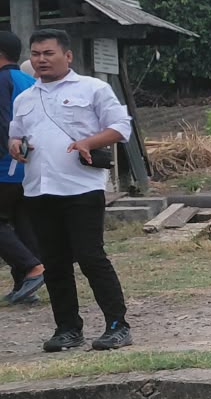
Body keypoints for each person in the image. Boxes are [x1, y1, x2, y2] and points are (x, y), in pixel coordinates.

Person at [5, 29, 133, 351]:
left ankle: (117, 325)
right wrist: (15, 146)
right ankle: (67, 329)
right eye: (36, 54)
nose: (41, 60)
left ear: (67, 56)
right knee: (55, 262)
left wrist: (89, 142)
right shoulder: (25, 99)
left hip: (80, 188)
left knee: (91, 258)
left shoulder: (93, 89)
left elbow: (121, 126)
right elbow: (14, 136)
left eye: (48, 53)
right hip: (38, 189)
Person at [0, 30, 45, 305]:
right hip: (28, 165)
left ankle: (32, 267)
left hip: (7, 165)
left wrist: (12, 152)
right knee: (19, 221)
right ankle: (25, 286)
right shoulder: (28, 79)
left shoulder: (1, 80)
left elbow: (5, 124)